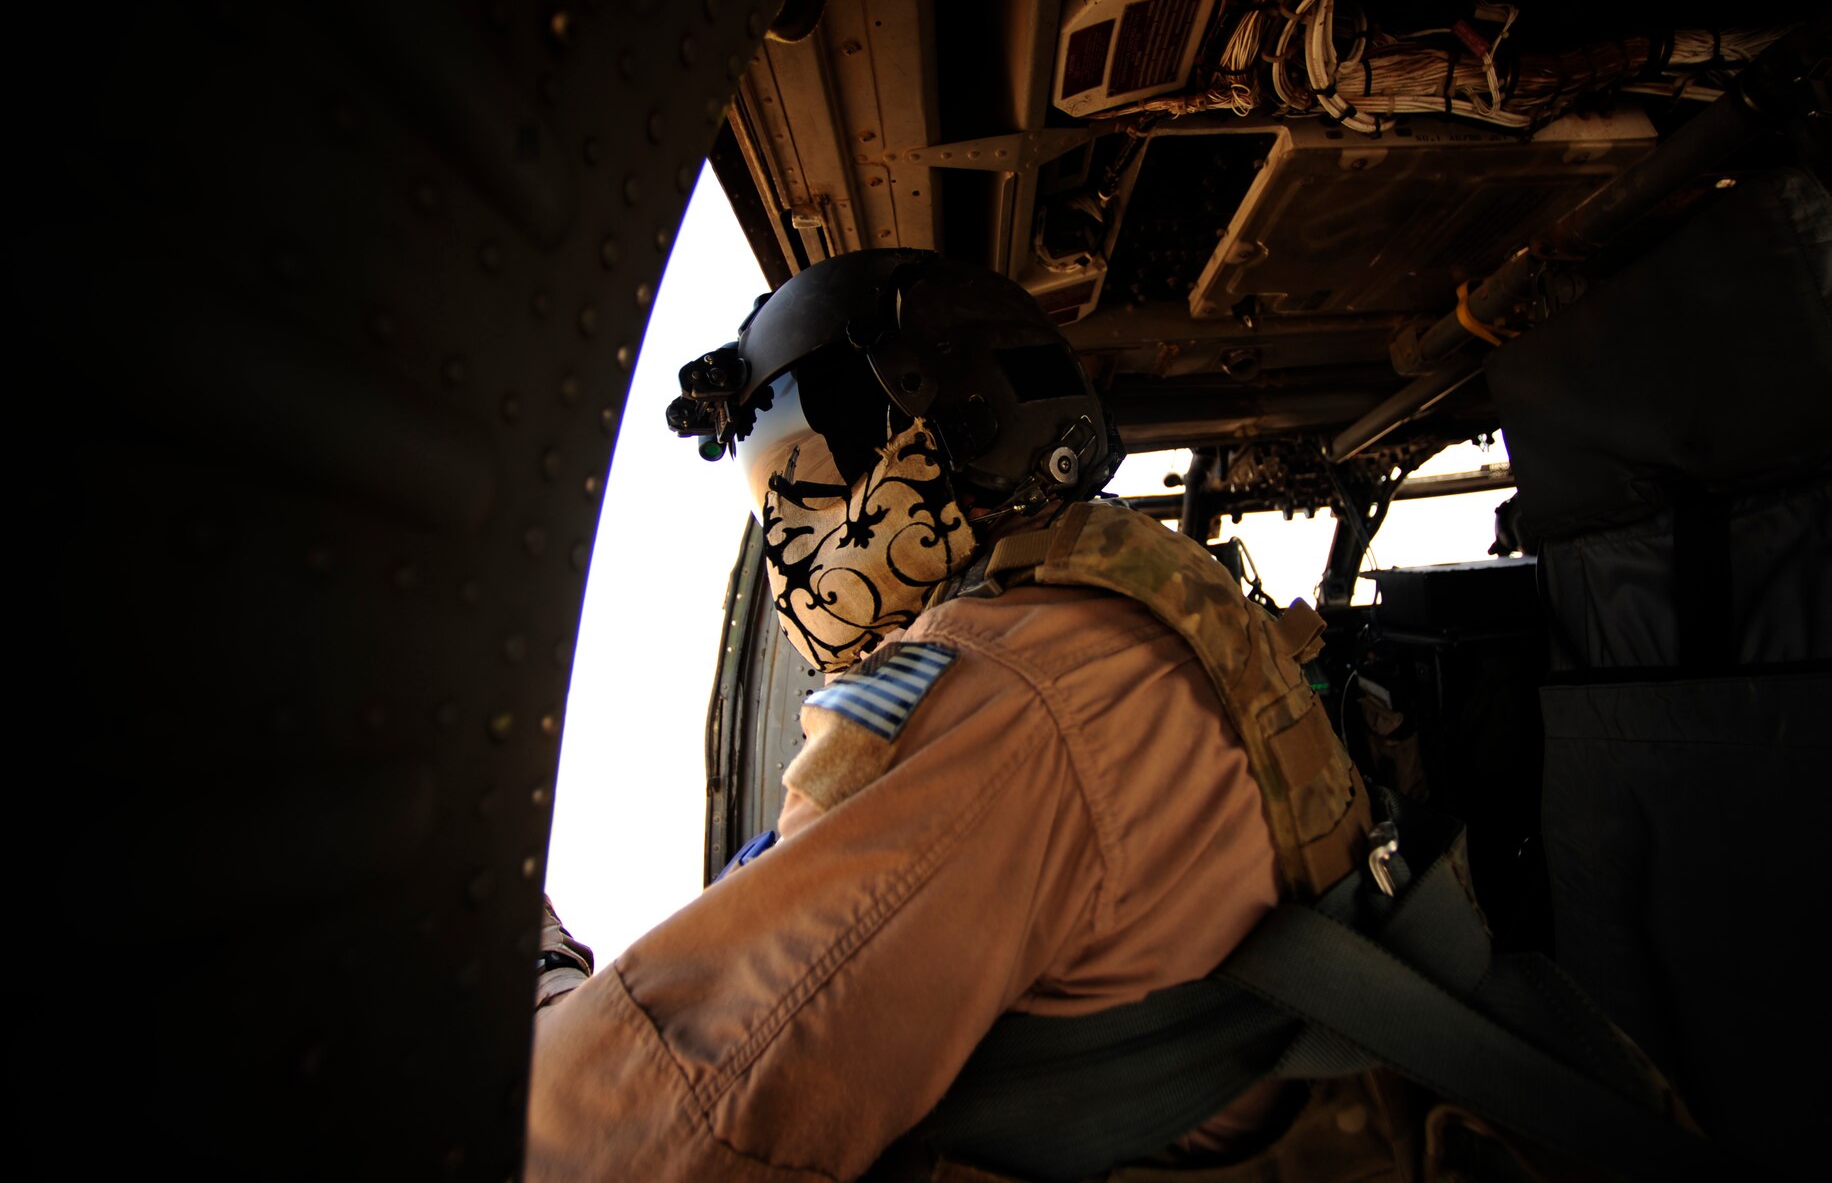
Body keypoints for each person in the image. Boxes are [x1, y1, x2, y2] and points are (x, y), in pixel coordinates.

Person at [524, 250, 1377, 1181]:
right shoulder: (1117, 600)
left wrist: (541, 981)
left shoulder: (1002, 689)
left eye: (805, 476)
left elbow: (660, 1129)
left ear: (962, 418)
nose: (785, 536)